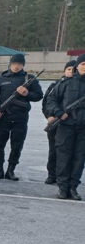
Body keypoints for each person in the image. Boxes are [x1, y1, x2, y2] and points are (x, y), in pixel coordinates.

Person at [0, 53, 43, 180]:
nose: (16, 66)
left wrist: (27, 93)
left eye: (19, 64)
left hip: (20, 118)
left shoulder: (29, 79)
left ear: (23, 65)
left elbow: (39, 95)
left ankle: (11, 171)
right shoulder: (1, 79)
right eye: (14, 64)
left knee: (17, 145)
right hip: (2, 118)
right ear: (10, 64)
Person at [47, 54, 85, 200]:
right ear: (77, 66)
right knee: (63, 157)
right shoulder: (66, 84)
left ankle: (73, 187)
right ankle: (62, 188)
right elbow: (51, 100)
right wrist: (58, 112)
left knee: (79, 158)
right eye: (83, 64)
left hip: (83, 129)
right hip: (66, 127)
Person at [42, 61, 76, 185]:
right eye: (68, 69)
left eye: (73, 69)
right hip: (56, 122)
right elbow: (47, 103)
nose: (71, 72)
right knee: (54, 151)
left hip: (71, 124)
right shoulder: (55, 85)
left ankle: (67, 177)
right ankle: (52, 174)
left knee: (70, 152)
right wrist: (49, 116)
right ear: (64, 71)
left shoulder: (79, 86)